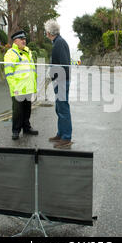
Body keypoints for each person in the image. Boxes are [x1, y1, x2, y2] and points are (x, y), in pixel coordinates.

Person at [4, 30, 38, 140]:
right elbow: (9, 74)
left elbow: (31, 70)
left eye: (25, 39)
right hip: (18, 89)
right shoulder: (10, 54)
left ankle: (27, 128)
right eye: (22, 39)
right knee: (18, 112)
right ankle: (16, 131)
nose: (24, 41)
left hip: (28, 87)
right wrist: (14, 89)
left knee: (27, 110)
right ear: (15, 41)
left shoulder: (28, 52)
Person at [44, 20, 73, 149]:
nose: (46, 34)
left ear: (49, 32)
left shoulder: (59, 43)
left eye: (46, 32)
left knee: (63, 109)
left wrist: (56, 79)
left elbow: (64, 64)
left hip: (61, 81)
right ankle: (61, 134)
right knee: (59, 108)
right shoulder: (58, 42)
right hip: (60, 81)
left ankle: (66, 138)